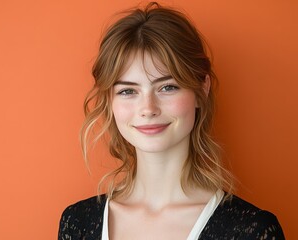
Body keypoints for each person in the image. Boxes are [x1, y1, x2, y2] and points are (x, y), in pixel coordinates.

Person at [58, 2, 285, 239]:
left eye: (167, 87)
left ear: (201, 90)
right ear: (110, 100)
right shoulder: (77, 222)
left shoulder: (252, 230)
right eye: (128, 91)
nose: (148, 108)